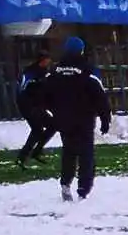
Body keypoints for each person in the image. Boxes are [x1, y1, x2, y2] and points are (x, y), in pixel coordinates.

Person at [42, 36, 110, 202]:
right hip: (84, 118)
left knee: (69, 151)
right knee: (86, 153)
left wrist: (54, 111)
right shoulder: (89, 71)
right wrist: (105, 119)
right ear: (81, 50)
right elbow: (100, 96)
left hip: (63, 118)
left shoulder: (54, 72)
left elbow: (43, 94)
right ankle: (83, 189)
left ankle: (66, 183)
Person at [14, 50, 54, 168]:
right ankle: (28, 155)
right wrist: (29, 107)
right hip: (29, 107)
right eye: (48, 59)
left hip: (37, 106)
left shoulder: (44, 73)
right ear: (42, 60)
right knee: (38, 130)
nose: (49, 61)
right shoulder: (30, 73)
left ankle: (31, 154)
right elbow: (21, 90)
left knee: (50, 126)